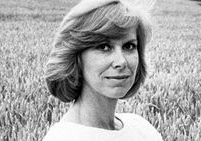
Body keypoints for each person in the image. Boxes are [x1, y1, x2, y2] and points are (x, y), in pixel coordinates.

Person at [43, 0, 163, 140]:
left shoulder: (140, 127)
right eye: (104, 47)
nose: (121, 62)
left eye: (129, 46)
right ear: (76, 57)